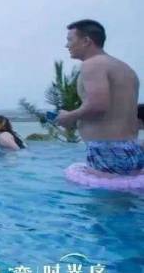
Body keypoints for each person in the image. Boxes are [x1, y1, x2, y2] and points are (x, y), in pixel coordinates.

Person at [56, 20, 142, 176]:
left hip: (107, 150)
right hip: (131, 147)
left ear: (86, 41)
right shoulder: (125, 68)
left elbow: (98, 106)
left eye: (70, 40)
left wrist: (68, 116)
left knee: (107, 193)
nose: (66, 45)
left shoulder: (93, 64)